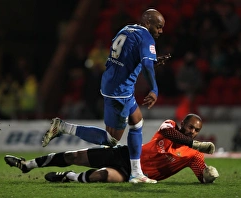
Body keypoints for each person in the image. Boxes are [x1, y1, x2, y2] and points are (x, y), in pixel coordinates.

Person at [41, 9, 168, 183]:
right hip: (120, 91)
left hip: (111, 83)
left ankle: (136, 173)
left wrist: (152, 61)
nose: (161, 31)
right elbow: (146, 65)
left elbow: (127, 56)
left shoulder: (126, 29)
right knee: (111, 139)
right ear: (147, 23)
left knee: (137, 122)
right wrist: (154, 89)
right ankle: (63, 127)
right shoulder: (147, 38)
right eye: (158, 27)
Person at [5, 114, 219, 184]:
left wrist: (209, 174)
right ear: (183, 124)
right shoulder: (171, 126)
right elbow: (168, 134)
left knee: (102, 176)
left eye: (196, 130)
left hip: (134, 174)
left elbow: (202, 175)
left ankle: (69, 177)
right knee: (75, 155)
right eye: (190, 127)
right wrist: (196, 144)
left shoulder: (194, 155)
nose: (192, 132)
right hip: (126, 154)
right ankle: (27, 164)